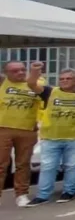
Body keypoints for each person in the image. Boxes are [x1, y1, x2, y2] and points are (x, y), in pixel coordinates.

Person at [25, 63, 75, 206]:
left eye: (68, 78)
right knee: (48, 167)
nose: (64, 81)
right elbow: (32, 84)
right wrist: (34, 70)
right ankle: (43, 195)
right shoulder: (50, 92)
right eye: (62, 79)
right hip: (50, 137)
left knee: (72, 166)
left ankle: (69, 192)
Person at [0, 61, 41, 207]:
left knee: (23, 164)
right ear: (6, 73)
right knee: (1, 164)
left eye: (23, 70)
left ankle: (22, 195)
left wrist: (35, 71)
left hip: (27, 130)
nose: (20, 73)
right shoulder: (3, 83)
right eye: (15, 71)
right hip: (3, 129)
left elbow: (41, 92)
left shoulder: (34, 84)